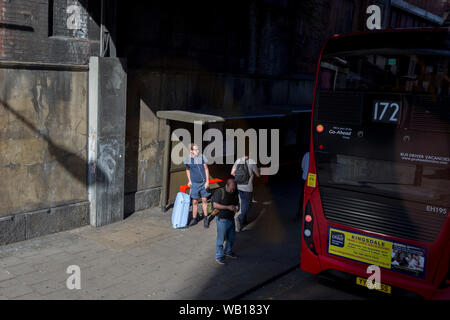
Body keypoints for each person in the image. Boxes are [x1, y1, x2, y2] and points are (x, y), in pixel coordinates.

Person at [212, 177, 240, 264]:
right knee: (221, 238)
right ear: (226, 186)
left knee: (231, 237)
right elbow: (215, 205)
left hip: (231, 218)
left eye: (233, 189)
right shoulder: (220, 192)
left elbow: (237, 203)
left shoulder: (235, 191)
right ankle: (219, 256)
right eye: (231, 189)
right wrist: (227, 207)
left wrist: (237, 208)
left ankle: (228, 251)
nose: (232, 191)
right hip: (222, 220)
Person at [184, 143, 211, 228]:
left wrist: (207, 182)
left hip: (203, 182)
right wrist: (189, 180)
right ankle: (194, 218)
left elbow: (206, 169)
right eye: (196, 150)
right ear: (191, 151)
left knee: (204, 200)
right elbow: (187, 170)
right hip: (195, 184)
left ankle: (206, 218)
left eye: (198, 149)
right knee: (194, 201)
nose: (198, 151)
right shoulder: (187, 159)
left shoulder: (202, 157)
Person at [231, 153, 260, 231]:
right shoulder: (252, 162)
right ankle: (240, 218)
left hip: (239, 186)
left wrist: (240, 177)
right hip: (248, 187)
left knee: (244, 202)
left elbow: (232, 173)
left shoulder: (237, 161)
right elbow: (258, 175)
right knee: (248, 204)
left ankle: (243, 220)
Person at [297, 151, 309, 219]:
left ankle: (299, 210)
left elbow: (302, 166)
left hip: (304, 178)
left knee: (303, 194)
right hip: (311, 180)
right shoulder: (316, 155)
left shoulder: (306, 154)